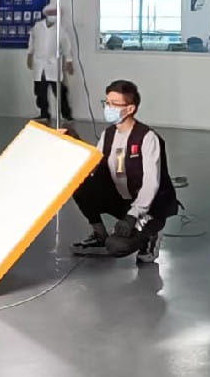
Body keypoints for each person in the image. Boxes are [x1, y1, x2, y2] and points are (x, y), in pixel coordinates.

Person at [70, 80, 178, 265]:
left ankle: (151, 235)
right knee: (80, 186)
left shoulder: (147, 138)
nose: (108, 108)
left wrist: (132, 216)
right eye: (106, 102)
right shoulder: (108, 134)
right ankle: (100, 235)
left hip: (149, 207)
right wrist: (74, 142)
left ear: (130, 109)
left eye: (114, 104)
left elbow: (151, 183)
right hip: (121, 199)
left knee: (117, 246)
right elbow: (93, 166)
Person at [25, 4, 74, 124]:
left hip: (53, 65)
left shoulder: (60, 30)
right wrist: (29, 56)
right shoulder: (37, 27)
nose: (53, 16)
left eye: (55, 14)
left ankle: (67, 115)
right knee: (40, 91)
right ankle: (44, 114)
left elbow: (66, 46)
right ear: (46, 14)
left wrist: (69, 61)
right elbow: (32, 41)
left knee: (60, 91)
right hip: (39, 64)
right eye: (51, 13)